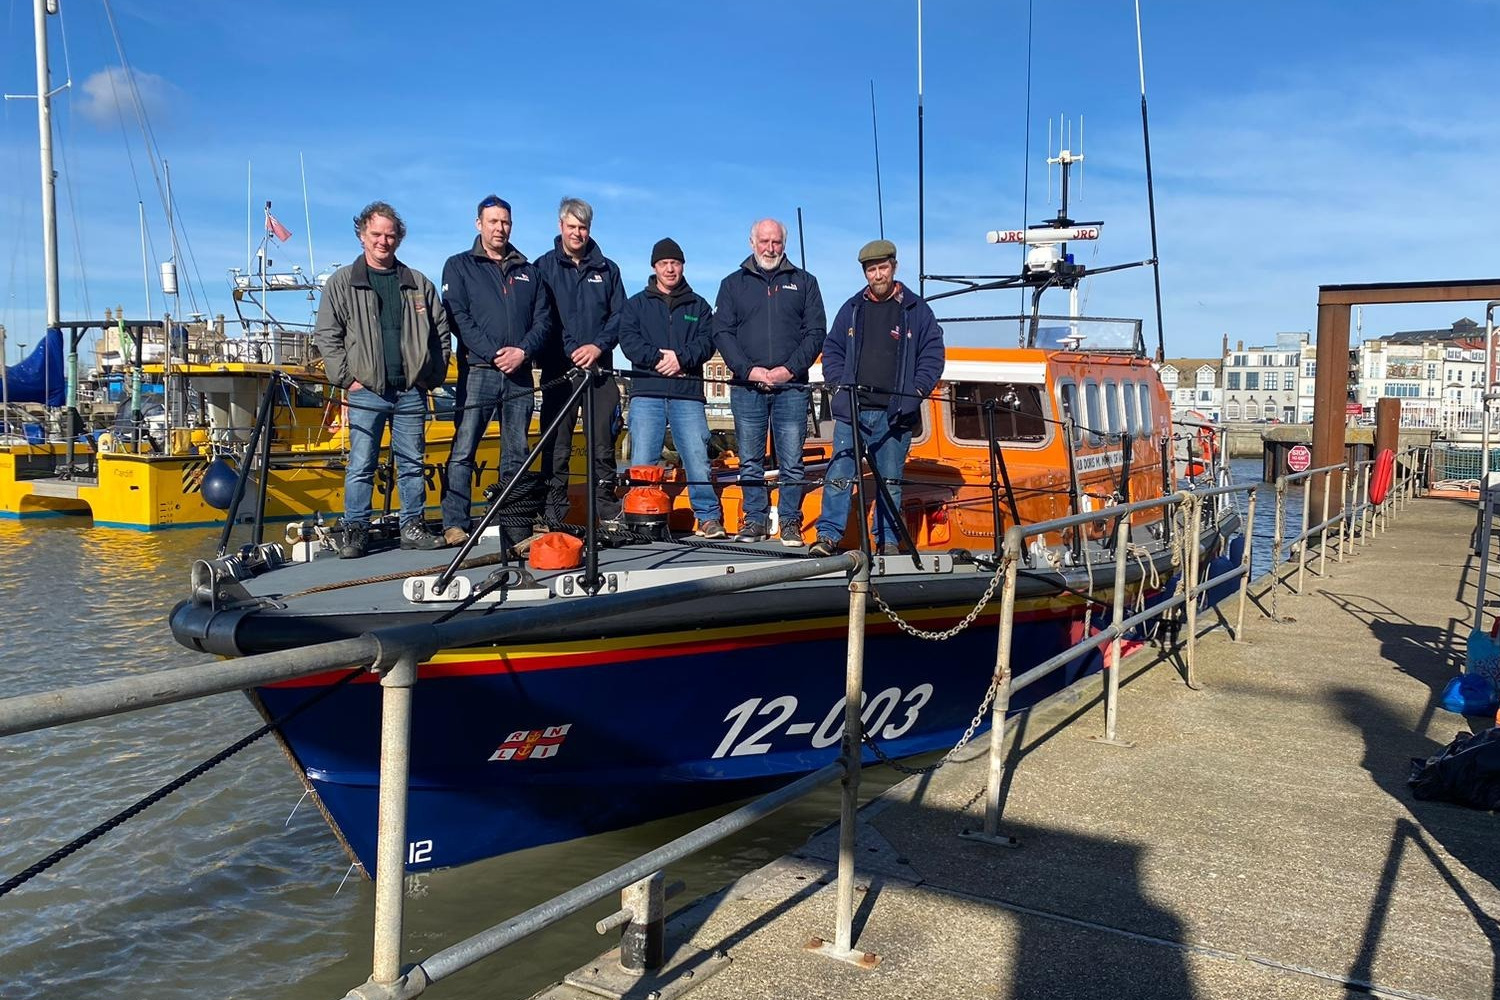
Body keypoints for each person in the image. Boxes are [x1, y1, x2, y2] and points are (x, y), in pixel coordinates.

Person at [314, 201, 450, 559]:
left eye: (390, 235)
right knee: (361, 463)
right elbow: (327, 334)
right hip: (366, 390)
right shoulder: (343, 282)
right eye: (376, 234)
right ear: (362, 235)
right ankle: (355, 530)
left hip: (409, 391)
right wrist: (347, 379)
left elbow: (441, 333)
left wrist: (429, 377)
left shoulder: (418, 283)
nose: (383, 241)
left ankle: (412, 527)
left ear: (399, 239)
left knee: (412, 463)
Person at [808, 239, 945, 558]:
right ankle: (827, 537)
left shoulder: (916, 311)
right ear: (865, 273)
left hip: (895, 415)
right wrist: (839, 387)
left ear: (894, 267)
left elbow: (933, 354)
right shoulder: (852, 309)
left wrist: (916, 393)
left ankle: (886, 540)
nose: (878, 274)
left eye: (883, 267)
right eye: (871, 269)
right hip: (853, 413)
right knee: (839, 474)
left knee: (890, 481)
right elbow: (833, 350)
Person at [439, 194, 552, 548]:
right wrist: (492, 353)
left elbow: (543, 319)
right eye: (493, 221)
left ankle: (513, 526)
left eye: (505, 222)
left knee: (516, 451)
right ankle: (455, 522)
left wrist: (523, 351)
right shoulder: (458, 266)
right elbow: (458, 317)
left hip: (519, 372)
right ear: (479, 224)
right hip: (477, 371)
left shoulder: (529, 271)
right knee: (464, 447)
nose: (499, 228)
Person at [712, 218, 826, 545]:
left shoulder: (805, 283)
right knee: (750, 460)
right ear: (752, 243)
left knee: (792, 460)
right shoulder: (732, 284)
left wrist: (788, 369)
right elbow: (721, 332)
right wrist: (748, 370)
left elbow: (816, 331)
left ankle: (790, 522)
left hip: (791, 387)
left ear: (783, 244)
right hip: (747, 387)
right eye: (763, 241)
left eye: (775, 242)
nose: (769, 248)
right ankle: (755, 521)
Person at [617, 238, 724, 537]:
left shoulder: (699, 306)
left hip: (687, 394)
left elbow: (707, 341)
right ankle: (640, 516)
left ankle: (707, 516)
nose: (669, 269)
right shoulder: (636, 304)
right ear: (654, 267)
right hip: (647, 392)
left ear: (682, 266)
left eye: (674, 263)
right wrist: (657, 359)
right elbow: (628, 340)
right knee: (642, 461)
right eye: (664, 263)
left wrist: (681, 359)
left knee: (697, 458)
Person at [535, 197, 625, 524]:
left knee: (602, 444)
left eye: (583, 227)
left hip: (599, 370)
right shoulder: (542, 268)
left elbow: (620, 317)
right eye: (571, 227)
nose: (577, 233)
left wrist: (596, 347)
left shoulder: (608, 269)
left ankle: (606, 509)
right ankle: (553, 513)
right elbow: (543, 317)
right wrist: (575, 349)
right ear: (561, 227)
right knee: (557, 444)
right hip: (560, 369)